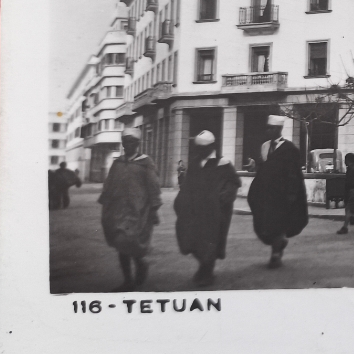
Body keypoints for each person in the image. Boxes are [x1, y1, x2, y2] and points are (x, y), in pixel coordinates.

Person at [174, 130, 242, 286]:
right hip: (195, 210)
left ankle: (207, 272)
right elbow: (187, 184)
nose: (200, 151)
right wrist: (181, 202)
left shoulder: (223, 163)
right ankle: (204, 267)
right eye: (198, 148)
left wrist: (223, 198)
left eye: (203, 148)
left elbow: (233, 183)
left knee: (211, 240)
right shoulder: (195, 162)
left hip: (215, 211)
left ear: (212, 146)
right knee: (191, 238)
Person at [98, 131, 162, 291]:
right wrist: (105, 202)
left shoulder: (145, 162)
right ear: (123, 144)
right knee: (121, 244)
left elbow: (153, 186)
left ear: (137, 144)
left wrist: (154, 208)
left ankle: (141, 264)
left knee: (133, 242)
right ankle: (128, 280)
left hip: (138, 210)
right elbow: (109, 183)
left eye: (132, 142)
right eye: (125, 142)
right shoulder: (117, 162)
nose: (128, 145)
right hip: (118, 210)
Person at [246, 115, 309, 269]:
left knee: (278, 222)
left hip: (282, 193)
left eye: (272, 128)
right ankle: (279, 243)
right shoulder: (264, 146)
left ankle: (275, 254)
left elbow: (293, 173)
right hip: (265, 192)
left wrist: (292, 194)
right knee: (264, 223)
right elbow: (264, 167)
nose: (269, 131)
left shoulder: (290, 149)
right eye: (268, 128)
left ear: (279, 129)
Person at [336, 153, 354, 235]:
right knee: (352, 209)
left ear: (348, 160)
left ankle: (345, 227)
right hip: (351, 190)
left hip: (353, 190)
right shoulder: (352, 168)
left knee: (349, 209)